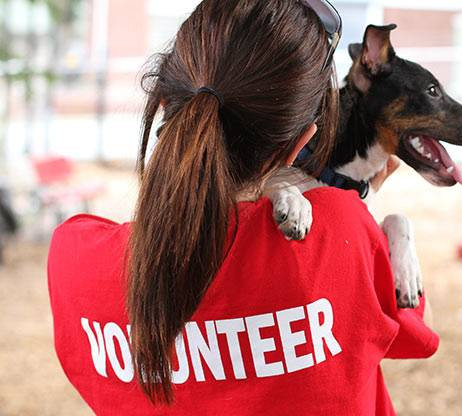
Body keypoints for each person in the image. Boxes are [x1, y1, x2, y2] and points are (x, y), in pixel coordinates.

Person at [47, 1, 438, 414]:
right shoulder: (341, 227)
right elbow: (412, 332)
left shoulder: (74, 257)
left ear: (164, 103)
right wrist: (359, 203)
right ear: (303, 138)